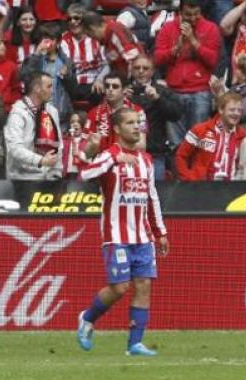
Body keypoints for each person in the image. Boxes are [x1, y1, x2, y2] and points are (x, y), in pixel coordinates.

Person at [76, 107, 169, 357]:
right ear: (117, 129)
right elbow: (83, 174)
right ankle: (87, 318)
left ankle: (135, 344)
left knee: (143, 286)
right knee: (119, 288)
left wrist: (161, 231)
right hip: (116, 235)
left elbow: (152, 198)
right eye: (129, 123)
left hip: (143, 236)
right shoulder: (110, 156)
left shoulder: (146, 160)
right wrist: (113, 160)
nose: (136, 126)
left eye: (138, 122)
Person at [154, 0, 222, 148]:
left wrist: (193, 41)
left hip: (200, 92)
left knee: (198, 141)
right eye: (188, 15)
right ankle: (177, 171)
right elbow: (158, 58)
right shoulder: (167, 28)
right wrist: (175, 49)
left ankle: (197, 171)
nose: (192, 18)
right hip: (174, 92)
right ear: (180, 12)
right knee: (175, 143)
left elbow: (213, 60)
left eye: (196, 14)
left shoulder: (211, 28)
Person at [127, 54, 182, 180]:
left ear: (152, 71)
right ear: (131, 70)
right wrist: (119, 101)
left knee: (157, 195)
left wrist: (158, 99)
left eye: (145, 68)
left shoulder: (161, 91)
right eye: (137, 68)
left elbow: (176, 114)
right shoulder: (123, 91)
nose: (141, 71)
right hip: (127, 155)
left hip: (155, 154)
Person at [175, 91, 246, 181]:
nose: (236, 113)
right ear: (221, 110)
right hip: (202, 188)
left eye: (239, 110)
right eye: (232, 110)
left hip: (230, 189)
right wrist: (189, 179)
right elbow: (181, 156)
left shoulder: (244, 136)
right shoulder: (199, 130)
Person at [4, 70, 61, 180]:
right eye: (49, 87)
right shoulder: (18, 112)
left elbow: (59, 146)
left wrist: (56, 172)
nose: (52, 91)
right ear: (37, 89)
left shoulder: (52, 111)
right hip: (21, 178)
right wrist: (41, 160)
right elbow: (14, 148)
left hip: (48, 177)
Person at [84, 73, 147, 157]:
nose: (110, 89)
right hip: (103, 164)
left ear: (124, 89)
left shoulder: (138, 111)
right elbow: (86, 153)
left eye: (115, 86)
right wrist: (93, 146)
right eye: (107, 86)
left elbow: (142, 146)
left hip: (129, 162)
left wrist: (113, 152)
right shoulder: (94, 113)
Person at [22, 23, 76, 121]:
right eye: (44, 38)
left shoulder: (66, 63)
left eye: (51, 39)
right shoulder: (34, 60)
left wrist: (67, 75)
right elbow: (25, 77)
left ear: (58, 41)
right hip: (37, 114)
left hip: (60, 114)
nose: (47, 42)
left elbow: (73, 89)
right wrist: (37, 54)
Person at [60, 3, 109, 107]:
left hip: (95, 83)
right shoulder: (63, 40)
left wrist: (100, 80)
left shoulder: (96, 37)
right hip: (73, 85)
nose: (73, 22)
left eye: (77, 18)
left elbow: (107, 64)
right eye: (69, 19)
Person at [81, 10, 142, 79]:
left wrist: (128, 83)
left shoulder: (114, 31)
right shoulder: (107, 39)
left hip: (133, 79)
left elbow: (133, 56)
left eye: (90, 35)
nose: (93, 38)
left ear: (92, 29)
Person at [62, 111, 88, 179]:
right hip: (66, 175)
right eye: (72, 122)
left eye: (78, 122)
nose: (75, 124)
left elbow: (92, 160)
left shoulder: (88, 141)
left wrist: (79, 154)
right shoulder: (64, 140)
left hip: (82, 176)